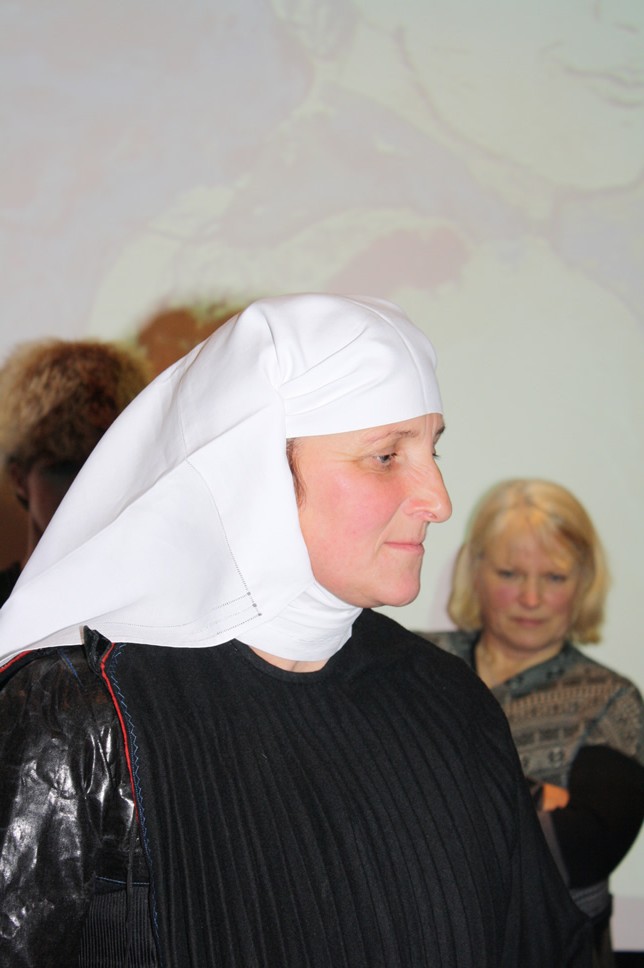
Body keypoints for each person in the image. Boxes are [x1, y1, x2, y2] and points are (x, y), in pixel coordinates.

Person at [0, 295, 591, 967]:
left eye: (433, 450)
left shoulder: (450, 701)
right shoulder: (84, 718)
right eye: (386, 456)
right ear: (256, 473)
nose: (438, 499)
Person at [430, 479, 644, 968]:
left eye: (554, 577)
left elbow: (581, 849)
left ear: (584, 582)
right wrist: (536, 796)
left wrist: (432, 788)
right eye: (510, 573)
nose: (531, 598)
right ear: (475, 571)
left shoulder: (611, 702)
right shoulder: (415, 663)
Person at [0, 337, 150, 605]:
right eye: (64, 468)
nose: (83, 489)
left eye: (100, 468)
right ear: (19, 479)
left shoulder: (160, 607)